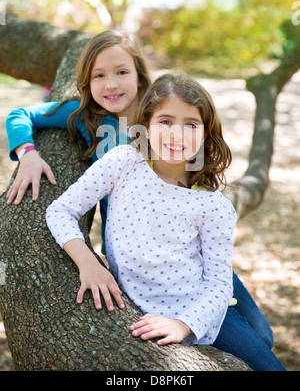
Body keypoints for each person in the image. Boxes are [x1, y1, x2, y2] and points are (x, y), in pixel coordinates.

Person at [5, 32, 284, 369]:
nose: (111, 84)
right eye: (99, 75)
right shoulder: (88, 122)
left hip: (187, 244)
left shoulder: (173, 111)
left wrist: (205, 196)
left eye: (122, 72)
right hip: (136, 242)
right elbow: (21, 116)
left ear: (140, 74)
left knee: (261, 335)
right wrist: (28, 153)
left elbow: (199, 186)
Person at [46, 72, 237, 347]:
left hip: (193, 315)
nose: (176, 133)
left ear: (205, 134)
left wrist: (182, 325)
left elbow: (219, 285)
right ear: (146, 126)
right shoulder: (123, 163)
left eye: (191, 124)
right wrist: (87, 262)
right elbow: (60, 211)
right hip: (134, 307)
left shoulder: (213, 205)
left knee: (264, 356)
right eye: (165, 121)